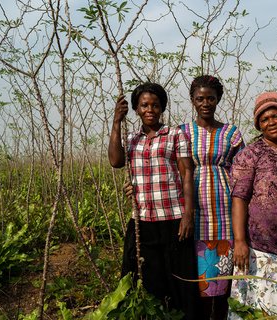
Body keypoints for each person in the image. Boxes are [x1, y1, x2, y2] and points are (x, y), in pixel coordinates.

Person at [108, 82, 200, 319]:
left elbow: (187, 173)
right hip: (142, 219)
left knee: (180, 280)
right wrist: (117, 121)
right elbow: (116, 162)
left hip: (173, 218)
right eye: (144, 105)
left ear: (162, 108)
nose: (150, 110)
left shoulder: (175, 135)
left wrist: (188, 215)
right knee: (148, 279)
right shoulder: (131, 138)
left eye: (155, 105)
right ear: (136, 109)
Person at [228, 92, 277, 319]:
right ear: (258, 125)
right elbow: (239, 199)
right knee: (255, 309)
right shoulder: (249, 155)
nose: (271, 122)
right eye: (265, 119)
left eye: (276, 116)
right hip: (258, 251)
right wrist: (240, 241)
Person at [179, 75, 244, 320]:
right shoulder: (183, 132)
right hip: (192, 212)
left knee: (221, 280)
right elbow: (170, 168)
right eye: (200, 99)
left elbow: (243, 170)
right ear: (192, 101)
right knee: (195, 278)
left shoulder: (231, 133)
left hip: (225, 211)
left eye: (210, 98)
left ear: (218, 100)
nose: (205, 103)